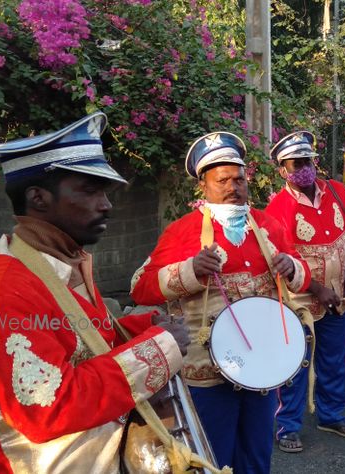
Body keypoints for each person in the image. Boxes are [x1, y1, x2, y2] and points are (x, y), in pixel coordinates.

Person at [0, 112, 189, 472]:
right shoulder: (6, 292)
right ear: (38, 198)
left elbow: (86, 340)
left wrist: (147, 325)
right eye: (90, 190)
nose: (106, 204)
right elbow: (50, 407)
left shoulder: (61, 259)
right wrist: (160, 348)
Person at [131, 131, 311, 473]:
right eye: (223, 180)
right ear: (203, 186)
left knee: (257, 454)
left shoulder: (268, 224)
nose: (233, 187)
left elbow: (298, 269)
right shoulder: (182, 232)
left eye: (239, 179)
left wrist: (292, 266)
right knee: (213, 457)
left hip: (262, 365)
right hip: (207, 372)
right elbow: (140, 288)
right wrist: (189, 270)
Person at [264, 131, 345, 453]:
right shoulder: (278, 207)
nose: (304, 168)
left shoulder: (338, 193)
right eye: (295, 164)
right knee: (294, 365)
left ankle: (332, 415)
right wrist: (316, 288)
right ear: (282, 170)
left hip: (338, 300)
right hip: (297, 302)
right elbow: (280, 262)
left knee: (334, 362)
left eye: (308, 161)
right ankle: (287, 425)